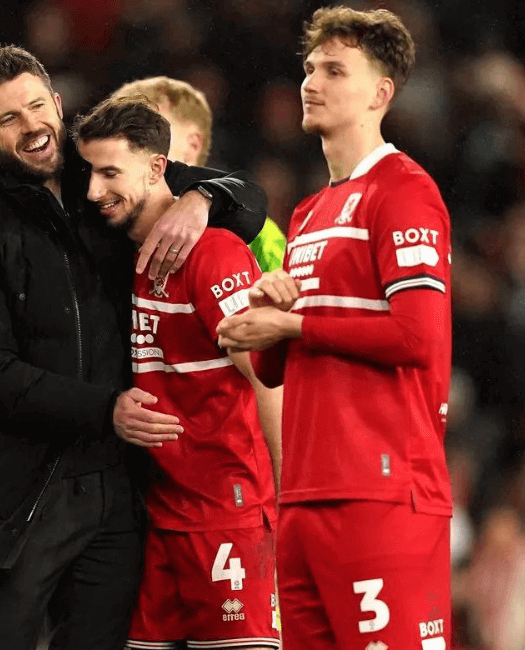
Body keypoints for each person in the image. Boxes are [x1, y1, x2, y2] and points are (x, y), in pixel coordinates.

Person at [0, 45, 267, 650]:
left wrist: (202, 200)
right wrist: (104, 407)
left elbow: (247, 195)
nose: (31, 127)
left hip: (119, 499)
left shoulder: (106, 179)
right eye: (7, 119)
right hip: (17, 503)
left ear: (57, 103)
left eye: (36, 106)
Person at [215, 7, 453, 650]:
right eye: (310, 68)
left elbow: (417, 337)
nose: (310, 81)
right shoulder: (310, 211)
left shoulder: (403, 190)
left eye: (334, 70)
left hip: (380, 496)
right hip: (304, 497)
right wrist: (263, 324)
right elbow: (279, 366)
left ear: (381, 93)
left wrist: (292, 323)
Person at [74, 96, 281, 650]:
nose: (94, 192)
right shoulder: (129, 255)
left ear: (157, 167)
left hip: (229, 515)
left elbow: (266, 376)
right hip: (161, 515)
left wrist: (289, 503)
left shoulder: (213, 252)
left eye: (110, 173)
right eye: (90, 173)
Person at [111, 76, 285, 463]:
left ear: (189, 144)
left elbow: (276, 370)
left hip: (229, 473)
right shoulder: (119, 224)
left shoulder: (253, 235)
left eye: (146, 129)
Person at [110, 76, 287, 274]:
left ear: (193, 145)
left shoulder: (261, 237)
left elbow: (290, 300)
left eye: (153, 130)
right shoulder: (108, 217)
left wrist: (202, 197)